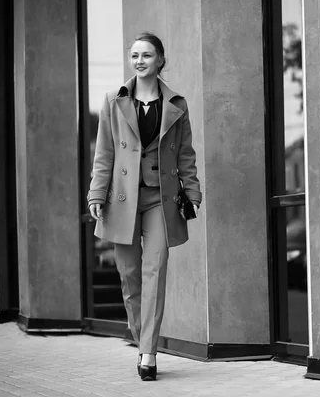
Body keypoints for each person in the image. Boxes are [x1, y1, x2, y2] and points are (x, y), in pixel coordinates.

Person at [87, 32, 202, 381]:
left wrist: (192, 191)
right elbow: (104, 154)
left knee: (156, 271)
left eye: (147, 54)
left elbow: (185, 155)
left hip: (159, 201)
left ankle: (148, 353)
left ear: (160, 60)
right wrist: (96, 193)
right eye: (134, 55)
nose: (139, 60)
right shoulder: (113, 101)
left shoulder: (177, 105)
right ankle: (143, 342)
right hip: (121, 201)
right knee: (130, 277)